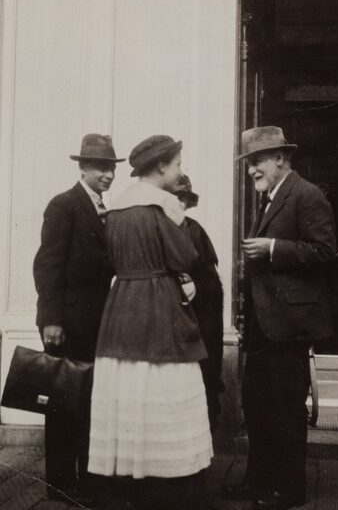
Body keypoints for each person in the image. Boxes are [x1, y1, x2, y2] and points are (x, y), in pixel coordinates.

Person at [87, 135, 213, 510]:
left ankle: (128, 472)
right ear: (160, 167)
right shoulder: (161, 208)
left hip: (122, 302)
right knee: (163, 383)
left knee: (128, 383)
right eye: (176, 164)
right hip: (158, 303)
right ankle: (166, 476)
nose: (179, 171)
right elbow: (184, 256)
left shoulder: (118, 207)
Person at [225, 126, 336, 510]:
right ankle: (258, 483)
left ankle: (288, 491)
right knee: (257, 405)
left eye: (257, 161)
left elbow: (324, 252)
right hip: (263, 325)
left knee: (286, 407)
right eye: (249, 162)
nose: (251, 170)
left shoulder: (306, 195)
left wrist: (273, 248)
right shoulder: (271, 197)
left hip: (289, 326)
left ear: (280, 159)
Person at [33, 133, 124, 505]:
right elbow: (47, 266)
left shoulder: (105, 210)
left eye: (111, 168)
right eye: (100, 168)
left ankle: (87, 481)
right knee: (62, 405)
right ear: (82, 167)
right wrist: (51, 319)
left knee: (89, 403)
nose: (107, 175)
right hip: (66, 325)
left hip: (96, 325)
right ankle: (58, 484)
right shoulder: (64, 205)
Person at [174, 175, 225, 433]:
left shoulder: (195, 231)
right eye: (173, 198)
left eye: (182, 199)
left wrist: (194, 284)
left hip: (195, 326)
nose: (177, 204)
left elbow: (213, 287)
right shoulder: (150, 229)